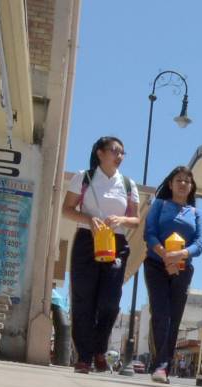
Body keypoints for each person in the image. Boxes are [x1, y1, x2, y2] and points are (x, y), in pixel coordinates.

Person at [60, 137, 140, 374]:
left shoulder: (128, 184)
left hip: (116, 242)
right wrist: (89, 219)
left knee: (110, 300)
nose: (119, 156)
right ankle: (85, 356)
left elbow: (135, 220)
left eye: (123, 152)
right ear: (100, 152)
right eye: (115, 150)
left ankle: (99, 349)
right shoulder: (83, 177)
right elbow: (67, 209)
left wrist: (122, 219)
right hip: (87, 239)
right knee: (84, 299)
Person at [142, 166, 202, 384]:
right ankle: (160, 364)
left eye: (187, 181)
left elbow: (200, 243)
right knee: (161, 313)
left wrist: (180, 254)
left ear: (191, 187)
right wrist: (165, 255)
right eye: (179, 180)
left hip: (183, 269)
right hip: (156, 265)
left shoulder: (196, 213)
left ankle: (163, 364)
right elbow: (148, 233)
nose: (183, 184)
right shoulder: (160, 205)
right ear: (170, 184)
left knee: (174, 317)